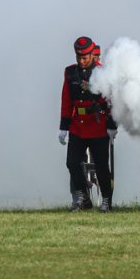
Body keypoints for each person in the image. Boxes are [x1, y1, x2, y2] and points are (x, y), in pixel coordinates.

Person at [59, 36, 117, 212]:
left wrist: (112, 125)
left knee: (101, 166)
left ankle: (106, 198)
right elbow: (66, 100)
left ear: (92, 55)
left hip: (98, 125)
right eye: (79, 57)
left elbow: (112, 100)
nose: (81, 61)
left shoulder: (104, 72)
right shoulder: (70, 73)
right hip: (78, 126)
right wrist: (63, 126)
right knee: (71, 162)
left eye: (84, 57)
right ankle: (83, 196)